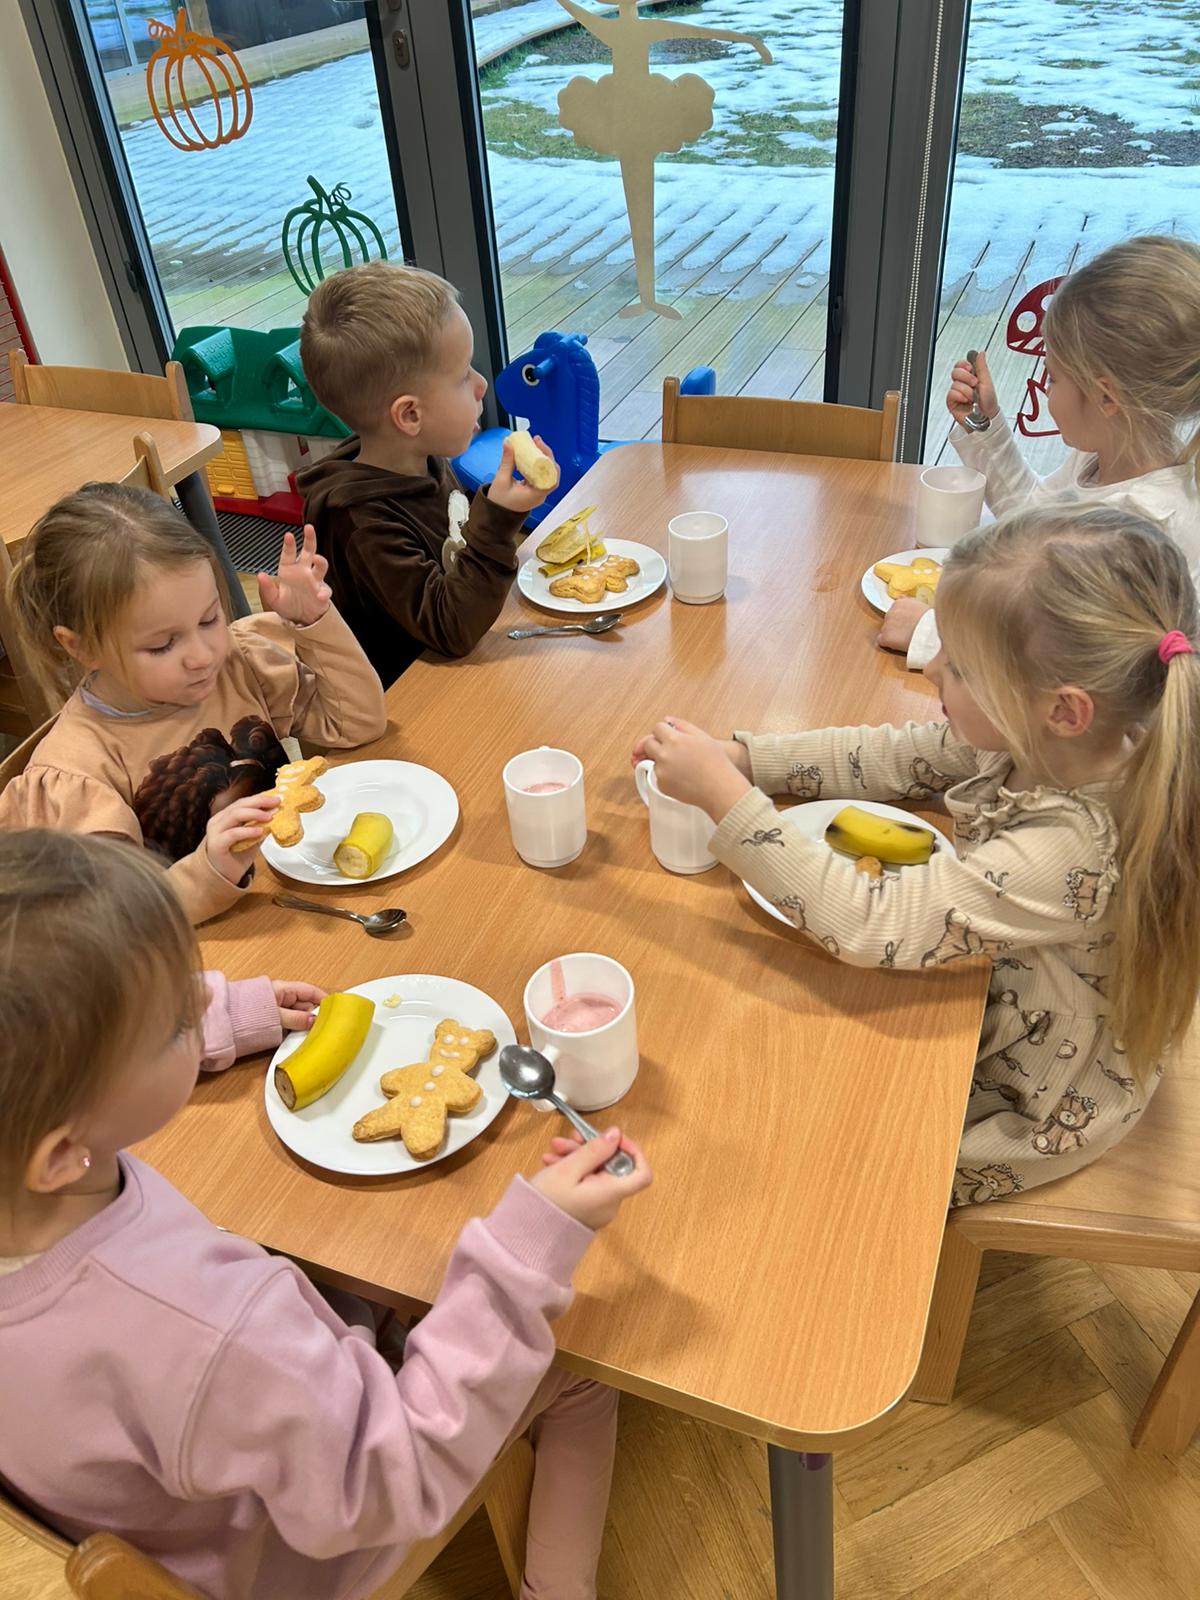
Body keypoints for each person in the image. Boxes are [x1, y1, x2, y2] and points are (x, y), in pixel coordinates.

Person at [0, 829, 651, 1600]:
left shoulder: (37, 1174)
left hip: (203, 1480)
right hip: (318, 1535)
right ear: (61, 1152)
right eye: (176, 1020)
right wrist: (527, 1248)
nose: (205, 995)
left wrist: (225, 1019)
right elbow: (397, 1473)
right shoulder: (205, 1328)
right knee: (579, 1367)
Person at [634, 504, 1200, 1204]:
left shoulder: (1073, 848)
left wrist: (727, 799)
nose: (930, 666)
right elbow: (900, 755)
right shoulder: (1043, 736)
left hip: (1031, 1093)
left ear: (1064, 709)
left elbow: (872, 922)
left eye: (958, 666)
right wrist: (747, 761)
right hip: (1001, 986)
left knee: (829, 1170)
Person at [0, 485, 387, 924]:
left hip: (299, 904)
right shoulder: (79, 773)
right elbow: (114, 917)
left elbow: (357, 723)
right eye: (162, 645)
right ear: (82, 647)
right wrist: (208, 871)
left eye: (209, 619)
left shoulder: (237, 663)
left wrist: (314, 623)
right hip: (207, 944)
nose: (202, 655)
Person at [881, 234, 1200, 670]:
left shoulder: (1141, 528)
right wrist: (986, 426)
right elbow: (1032, 529)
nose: (1046, 390)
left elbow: (1057, 660)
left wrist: (931, 634)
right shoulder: (1104, 458)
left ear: (1106, 397)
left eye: (1053, 377)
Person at [298, 261, 555, 687]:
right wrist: (498, 523)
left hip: (459, 672)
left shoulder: (422, 460)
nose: (482, 385)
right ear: (410, 415)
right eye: (463, 375)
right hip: (407, 700)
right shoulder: (362, 522)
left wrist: (499, 505)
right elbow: (450, 628)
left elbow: (456, 544)